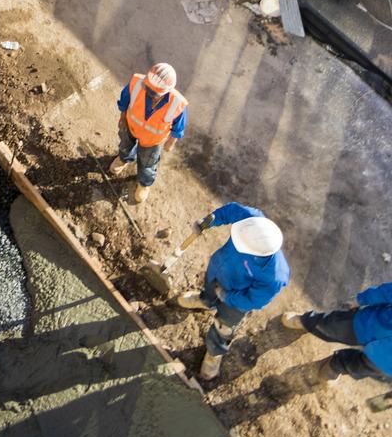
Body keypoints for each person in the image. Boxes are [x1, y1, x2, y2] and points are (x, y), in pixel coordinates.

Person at [175, 202, 289, 381]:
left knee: (224, 326)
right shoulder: (253, 220)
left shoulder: (275, 275)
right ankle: (206, 301)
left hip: (236, 300)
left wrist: (228, 297)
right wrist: (208, 221)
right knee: (209, 290)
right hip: (218, 270)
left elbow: (254, 300)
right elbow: (230, 211)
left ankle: (214, 352)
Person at [280, 282, 392, 386]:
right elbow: (387, 292)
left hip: (385, 361)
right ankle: (306, 321)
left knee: (359, 366)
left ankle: (334, 367)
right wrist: (361, 300)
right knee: (330, 325)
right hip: (367, 323)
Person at [109, 62, 188, 203]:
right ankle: (124, 159)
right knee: (125, 146)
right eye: (148, 89)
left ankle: (144, 184)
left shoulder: (177, 103)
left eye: (154, 93)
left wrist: (171, 142)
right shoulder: (137, 83)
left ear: (168, 90)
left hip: (152, 141)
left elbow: (178, 127)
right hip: (130, 127)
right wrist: (122, 118)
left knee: (148, 164)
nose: (149, 94)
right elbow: (124, 100)